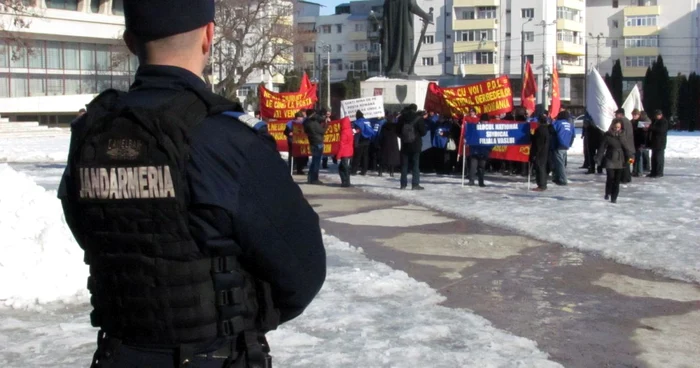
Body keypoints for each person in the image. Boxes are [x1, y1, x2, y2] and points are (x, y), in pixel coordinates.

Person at [58, 2, 326, 366]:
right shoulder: (228, 138)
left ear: (130, 42)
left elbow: (85, 227)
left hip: (119, 352)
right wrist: (233, 311)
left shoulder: (92, 133)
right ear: (209, 36)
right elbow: (302, 269)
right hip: (213, 354)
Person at [596, 119, 634, 204]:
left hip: (620, 160)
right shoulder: (608, 135)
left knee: (617, 180)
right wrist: (598, 158)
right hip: (610, 159)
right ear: (612, 126)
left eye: (619, 127)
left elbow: (627, 149)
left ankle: (614, 197)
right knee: (610, 178)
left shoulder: (623, 136)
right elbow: (602, 148)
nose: (617, 128)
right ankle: (607, 192)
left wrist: (631, 159)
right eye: (615, 127)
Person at [397, 104, 427, 189]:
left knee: (404, 165)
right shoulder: (419, 119)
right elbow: (423, 132)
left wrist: (403, 137)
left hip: (405, 144)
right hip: (416, 144)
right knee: (415, 165)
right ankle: (415, 184)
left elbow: (397, 131)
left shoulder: (401, 118)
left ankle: (403, 184)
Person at [551, 110, 575, 185]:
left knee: (559, 164)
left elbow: (551, 130)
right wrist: (569, 144)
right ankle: (557, 178)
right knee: (561, 163)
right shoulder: (570, 125)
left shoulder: (557, 123)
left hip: (558, 145)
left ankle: (563, 179)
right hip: (565, 146)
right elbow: (573, 135)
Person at [469, 114, 493, 187]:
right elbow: (470, 136)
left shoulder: (490, 128)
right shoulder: (474, 127)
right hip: (475, 150)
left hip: (484, 150)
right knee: (473, 166)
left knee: (482, 167)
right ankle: (471, 180)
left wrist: (490, 148)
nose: (486, 123)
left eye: (487, 121)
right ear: (481, 120)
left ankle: (481, 181)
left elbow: (493, 139)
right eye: (485, 121)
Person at [304, 108, 328, 184]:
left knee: (314, 161)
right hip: (318, 143)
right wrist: (327, 125)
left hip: (312, 142)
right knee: (316, 162)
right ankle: (314, 179)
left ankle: (310, 177)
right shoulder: (313, 123)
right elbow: (322, 131)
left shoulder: (306, 122)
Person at [530, 114, 551, 191]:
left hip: (540, 152)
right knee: (542, 167)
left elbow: (538, 142)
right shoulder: (546, 128)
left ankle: (542, 185)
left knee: (540, 168)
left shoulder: (540, 130)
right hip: (545, 151)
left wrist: (535, 153)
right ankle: (542, 184)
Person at [351, 110, 375, 175]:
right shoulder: (367, 121)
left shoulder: (357, 122)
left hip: (360, 141)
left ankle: (353, 170)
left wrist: (355, 141)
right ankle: (364, 170)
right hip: (367, 140)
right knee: (365, 156)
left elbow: (355, 132)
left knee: (357, 156)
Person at [614, 108, 635, 183]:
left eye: (616, 114)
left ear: (620, 114)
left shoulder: (622, 121)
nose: (615, 115)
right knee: (628, 163)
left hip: (626, 146)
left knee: (625, 163)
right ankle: (627, 178)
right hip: (629, 146)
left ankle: (625, 178)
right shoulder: (627, 121)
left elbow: (623, 134)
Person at [648, 109, 669, 178]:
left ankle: (659, 172)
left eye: (658, 115)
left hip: (660, 143)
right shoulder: (654, 121)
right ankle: (653, 171)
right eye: (656, 115)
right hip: (654, 142)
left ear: (661, 115)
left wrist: (651, 128)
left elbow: (661, 130)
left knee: (659, 158)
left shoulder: (664, 122)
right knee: (653, 158)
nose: (657, 116)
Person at [336, 115, 355, 187]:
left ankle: (345, 182)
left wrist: (338, 155)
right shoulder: (350, 130)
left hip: (344, 153)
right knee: (345, 167)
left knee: (343, 168)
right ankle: (347, 181)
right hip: (349, 151)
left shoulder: (344, 132)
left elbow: (342, 145)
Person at [631, 109, 651, 177]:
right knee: (632, 157)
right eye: (633, 115)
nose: (634, 116)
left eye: (635, 115)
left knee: (639, 157)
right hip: (633, 142)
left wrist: (644, 143)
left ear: (639, 115)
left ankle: (640, 171)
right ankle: (634, 170)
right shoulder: (632, 122)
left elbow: (647, 129)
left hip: (640, 142)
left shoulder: (642, 122)